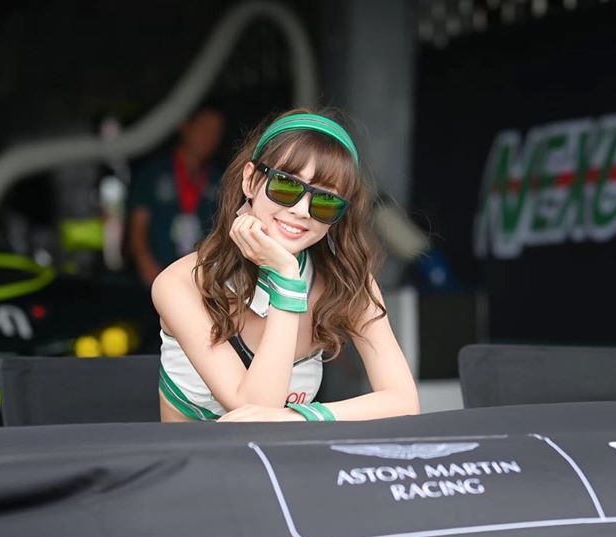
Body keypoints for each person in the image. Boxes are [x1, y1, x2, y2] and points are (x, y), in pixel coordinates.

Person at [151, 109, 420, 422]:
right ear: (251, 180)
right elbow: (256, 409)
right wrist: (287, 280)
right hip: (196, 453)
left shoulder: (346, 281)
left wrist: (301, 418)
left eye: (326, 201)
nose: (302, 210)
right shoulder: (180, 283)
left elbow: (403, 401)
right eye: (287, 186)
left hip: (289, 451)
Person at [128, 104, 225, 285]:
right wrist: (145, 264)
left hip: (198, 280)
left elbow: (221, 232)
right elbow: (138, 226)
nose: (210, 137)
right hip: (154, 276)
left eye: (216, 132)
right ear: (185, 126)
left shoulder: (218, 179)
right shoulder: (154, 172)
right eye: (204, 128)